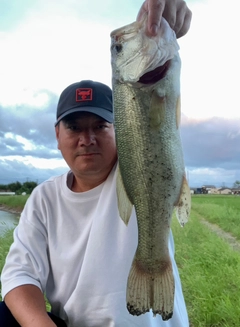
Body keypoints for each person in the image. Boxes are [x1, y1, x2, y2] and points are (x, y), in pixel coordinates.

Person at [0, 1, 192, 326]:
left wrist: (162, 18)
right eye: (75, 127)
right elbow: (19, 275)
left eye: (100, 126)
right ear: (57, 134)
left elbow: (152, 121)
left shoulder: (134, 164)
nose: (86, 139)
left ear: (122, 129)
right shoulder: (44, 199)